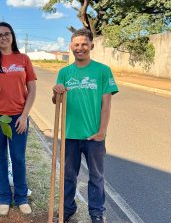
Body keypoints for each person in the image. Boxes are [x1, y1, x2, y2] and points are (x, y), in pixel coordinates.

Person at [52, 28, 118, 223]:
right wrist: (56, 92)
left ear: (91, 46)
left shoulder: (102, 71)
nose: (80, 48)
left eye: (83, 44)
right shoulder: (64, 72)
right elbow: (57, 102)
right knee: (68, 176)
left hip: (93, 136)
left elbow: (106, 106)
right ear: (71, 47)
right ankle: (67, 209)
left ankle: (97, 213)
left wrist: (102, 132)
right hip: (70, 134)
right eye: (76, 45)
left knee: (96, 177)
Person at [0, 22, 37, 216]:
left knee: (18, 158)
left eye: (6, 34)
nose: (3, 37)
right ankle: (4, 198)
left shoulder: (23, 59)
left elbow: (32, 89)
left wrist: (24, 115)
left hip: (18, 118)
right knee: (1, 158)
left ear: (12, 36)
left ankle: (21, 198)